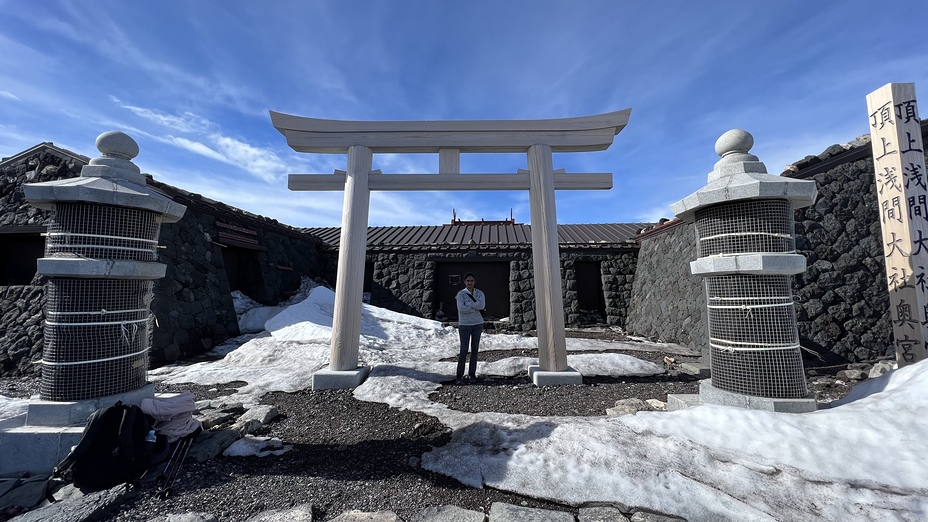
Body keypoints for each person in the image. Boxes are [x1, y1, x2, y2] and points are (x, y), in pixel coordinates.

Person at [455, 272, 486, 384]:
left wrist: (469, 305)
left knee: (475, 350)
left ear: (474, 282)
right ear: (464, 282)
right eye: (468, 281)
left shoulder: (480, 293)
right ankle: (459, 375)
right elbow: (461, 309)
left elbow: (482, 306)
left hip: (477, 324)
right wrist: (474, 307)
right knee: (463, 350)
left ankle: (472, 374)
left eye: (471, 281)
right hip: (464, 325)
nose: (470, 283)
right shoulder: (461, 294)